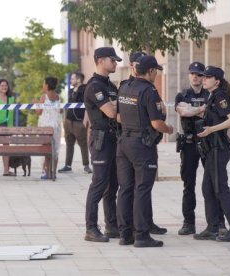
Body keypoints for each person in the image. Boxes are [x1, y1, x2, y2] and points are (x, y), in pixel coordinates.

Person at [116, 55, 173, 247]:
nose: (156, 73)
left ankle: (125, 234)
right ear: (150, 71)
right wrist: (169, 129)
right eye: (155, 70)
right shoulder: (149, 91)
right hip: (142, 146)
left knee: (125, 189)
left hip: (123, 142)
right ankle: (141, 235)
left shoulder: (124, 87)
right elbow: (157, 123)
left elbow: (118, 117)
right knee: (142, 189)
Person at [175, 62, 227, 236]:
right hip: (189, 144)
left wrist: (193, 110)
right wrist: (202, 109)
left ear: (204, 77)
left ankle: (218, 222)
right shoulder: (182, 94)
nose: (195, 77)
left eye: (199, 74)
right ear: (189, 75)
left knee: (214, 183)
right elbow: (183, 112)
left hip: (208, 143)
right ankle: (188, 223)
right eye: (192, 74)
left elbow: (205, 113)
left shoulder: (210, 94)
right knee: (188, 184)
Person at [194, 66, 230, 242]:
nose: (204, 79)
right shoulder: (211, 96)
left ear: (217, 81)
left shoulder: (220, 96)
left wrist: (211, 130)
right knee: (207, 188)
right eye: (204, 77)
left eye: (208, 77)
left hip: (218, 148)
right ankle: (213, 226)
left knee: (221, 189)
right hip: (212, 149)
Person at [83, 47, 122, 242]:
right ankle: (91, 228)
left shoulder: (110, 86)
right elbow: (110, 111)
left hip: (113, 137)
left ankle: (112, 226)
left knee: (112, 185)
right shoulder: (94, 86)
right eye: (112, 60)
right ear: (100, 60)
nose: (115, 63)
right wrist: (119, 106)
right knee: (98, 183)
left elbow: (117, 107)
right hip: (100, 139)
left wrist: (118, 105)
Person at [58, 72, 92, 174]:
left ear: (79, 80)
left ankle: (86, 165)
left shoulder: (85, 90)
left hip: (79, 122)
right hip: (68, 121)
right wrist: (65, 120)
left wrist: (85, 122)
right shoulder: (71, 91)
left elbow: (87, 106)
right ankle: (68, 165)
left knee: (83, 144)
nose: (70, 80)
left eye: (72, 78)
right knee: (69, 144)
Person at [35, 77, 62, 180]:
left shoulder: (44, 97)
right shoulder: (58, 97)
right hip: (56, 126)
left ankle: (46, 171)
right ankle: (53, 172)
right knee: (55, 150)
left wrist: (36, 103)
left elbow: (39, 112)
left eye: (43, 83)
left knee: (46, 149)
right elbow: (61, 111)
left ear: (46, 85)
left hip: (45, 126)